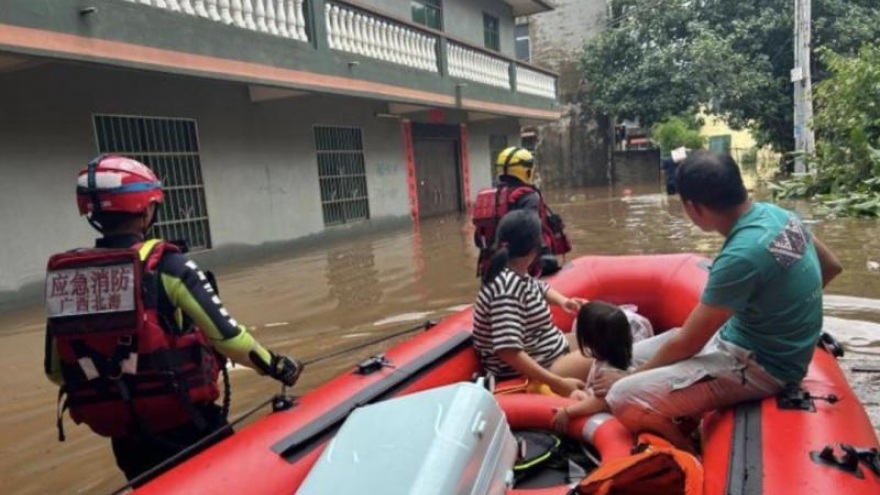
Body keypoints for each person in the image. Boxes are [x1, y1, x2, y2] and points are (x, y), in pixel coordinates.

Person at [44, 155, 305, 481]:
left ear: (92, 215)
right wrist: (278, 365)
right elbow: (230, 340)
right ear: (148, 209)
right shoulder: (169, 267)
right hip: (190, 425)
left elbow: (57, 372)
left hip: (126, 441)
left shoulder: (70, 280)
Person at [593, 151, 843, 450]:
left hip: (762, 367)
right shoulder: (780, 217)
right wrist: (786, 311)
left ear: (692, 207)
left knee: (622, 395)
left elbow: (688, 343)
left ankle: (688, 448)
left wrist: (628, 378)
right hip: (744, 341)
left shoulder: (741, 256)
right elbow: (830, 266)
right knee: (618, 358)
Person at [473, 209, 591, 397]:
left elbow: (537, 287)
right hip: (538, 368)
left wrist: (564, 302)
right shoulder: (506, 289)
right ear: (535, 249)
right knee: (610, 354)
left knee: (604, 336)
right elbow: (508, 351)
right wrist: (558, 383)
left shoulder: (514, 271)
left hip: (548, 350)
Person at [472, 147, 571, 279]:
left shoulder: (491, 197)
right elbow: (532, 231)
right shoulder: (528, 196)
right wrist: (547, 257)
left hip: (491, 268)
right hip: (523, 268)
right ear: (526, 171)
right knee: (549, 262)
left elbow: (479, 240)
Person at [551, 301, 642, 433]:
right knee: (576, 393)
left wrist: (567, 412)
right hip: (600, 402)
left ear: (587, 341)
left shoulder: (608, 371)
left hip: (608, 415)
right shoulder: (619, 355)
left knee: (574, 395)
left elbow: (598, 403)